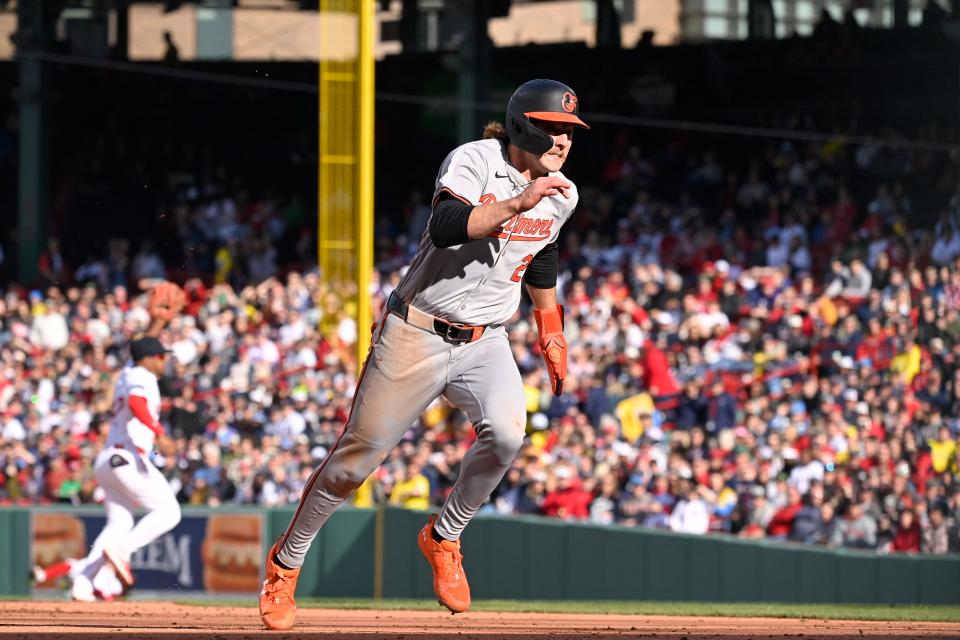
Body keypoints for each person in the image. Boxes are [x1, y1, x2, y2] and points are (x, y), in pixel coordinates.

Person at [259, 79, 589, 630]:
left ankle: (444, 536)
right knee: (356, 461)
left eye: (569, 132)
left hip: (486, 338)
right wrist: (514, 202)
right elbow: (445, 227)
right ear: (522, 126)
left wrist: (550, 325)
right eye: (553, 128)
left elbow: (543, 250)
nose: (562, 141)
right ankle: (285, 564)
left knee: (509, 433)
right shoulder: (474, 160)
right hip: (415, 330)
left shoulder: (564, 192)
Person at [69, 336, 182, 601]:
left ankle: (83, 582)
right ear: (148, 359)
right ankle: (122, 551)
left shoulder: (128, 372)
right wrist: (159, 431)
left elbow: (135, 362)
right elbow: (136, 402)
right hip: (127, 459)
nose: (164, 361)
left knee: (120, 522)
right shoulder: (141, 374)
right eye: (161, 356)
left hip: (108, 460)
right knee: (169, 511)